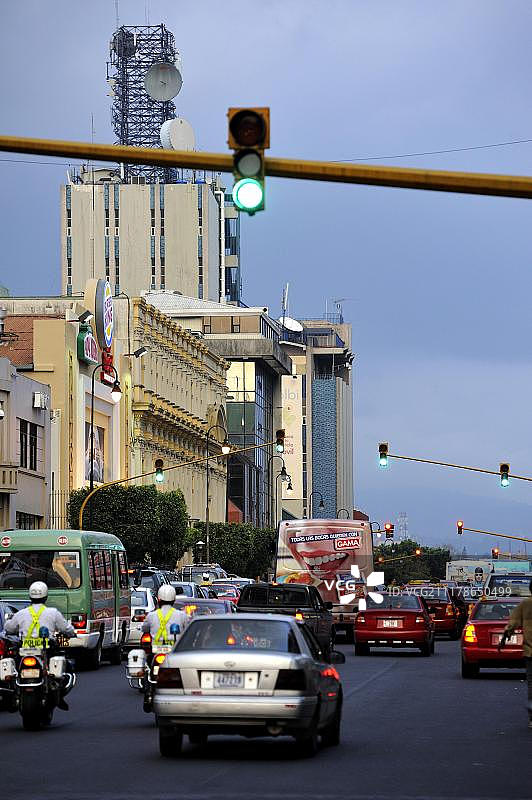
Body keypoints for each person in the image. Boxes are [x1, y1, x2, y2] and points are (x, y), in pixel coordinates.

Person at [4, 581, 76, 710]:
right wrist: (72, 633)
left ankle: (15, 695)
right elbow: (67, 629)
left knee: (14, 671)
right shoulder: (53, 612)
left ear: (30, 596)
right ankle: (59, 696)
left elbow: (9, 628)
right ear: (46, 596)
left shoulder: (21, 613)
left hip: (24, 651)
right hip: (47, 650)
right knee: (67, 669)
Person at [502, 577, 532, 729]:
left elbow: (512, 623)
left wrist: (504, 638)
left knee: (531, 684)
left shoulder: (526, 604)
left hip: (530, 652)